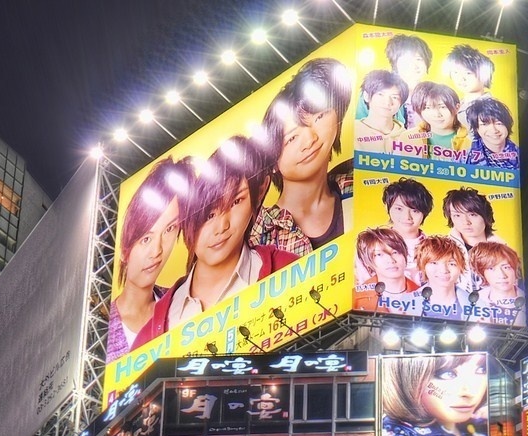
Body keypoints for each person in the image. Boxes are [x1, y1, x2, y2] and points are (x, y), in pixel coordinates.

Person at [137, 140, 298, 348]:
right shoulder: (149, 336)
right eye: (209, 214)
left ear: (258, 194)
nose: (222, 226)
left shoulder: (290, 271)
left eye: (236, 202)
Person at [246, 58, 353, 255]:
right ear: (272, 162)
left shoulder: (361, 186)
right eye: (292, 138)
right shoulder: (256, 236)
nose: (310, 139)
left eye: (319, 118)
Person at [107, 159, 192, 360]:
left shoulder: (182, 302)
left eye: (169, 229)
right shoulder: (101, 327)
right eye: (146, 238)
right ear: (123, 250)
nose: (157, 251)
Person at [378, 349, 490, 436]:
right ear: (405, 380)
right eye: (448, 374)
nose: (470, 392)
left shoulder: (480, 424)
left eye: (481, 370)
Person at [355, 227, 418, 309]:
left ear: (405, 254)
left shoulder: (423, 295)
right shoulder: (355, 298)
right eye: (379, 254)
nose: (391, 260)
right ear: (367, 262)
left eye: (395, 252)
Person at [409, 233, 467, 320]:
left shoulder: (479, 306)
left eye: (451, 263)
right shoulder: (406, 302)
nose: (444, 270)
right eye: (434, 263)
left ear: (460, 267)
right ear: (422, 266)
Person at [464, 239, 523, 325]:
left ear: (515, 269)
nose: (502, 275)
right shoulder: (472, 302)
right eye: (491, 269)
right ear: (481, 272)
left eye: (506, 267)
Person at [380, 178, 433, 267]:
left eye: (415, 211)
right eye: (399, 209)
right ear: (387, 208)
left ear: (425, 212)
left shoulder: (435, 248)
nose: (407, 217)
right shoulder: (374, 243)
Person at [407, 81, 463, 159]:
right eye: (427, 108)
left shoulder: (471, 141)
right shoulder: (408, 138)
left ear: (457, 107)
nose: (437, 114)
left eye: (442, 107)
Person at [355, 70, 408, 147]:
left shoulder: (408, 138)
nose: (387, 102)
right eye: (380, 94)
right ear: (366, 96)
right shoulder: (352, 132)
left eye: (394, 97)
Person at [460, 96, 517, 168]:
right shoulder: (463, 160)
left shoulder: (522, 155)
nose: (493, 130)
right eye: (485, 124)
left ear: (507, 125)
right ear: (476, 128)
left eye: (498, 123)